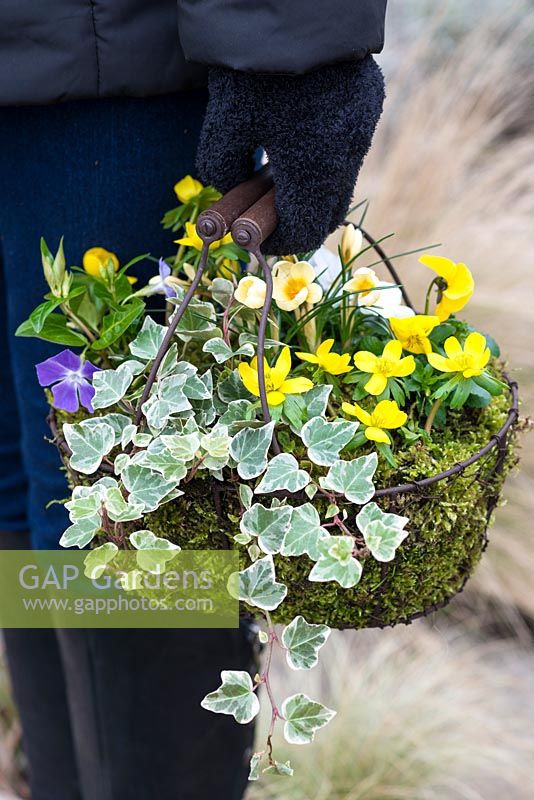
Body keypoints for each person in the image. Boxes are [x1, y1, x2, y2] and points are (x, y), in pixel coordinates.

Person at [0, 2, 387, 798]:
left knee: (88, 500)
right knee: (67, 491)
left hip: (91, 57)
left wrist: (296, 54)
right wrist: (295, 52)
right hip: (87, 60)